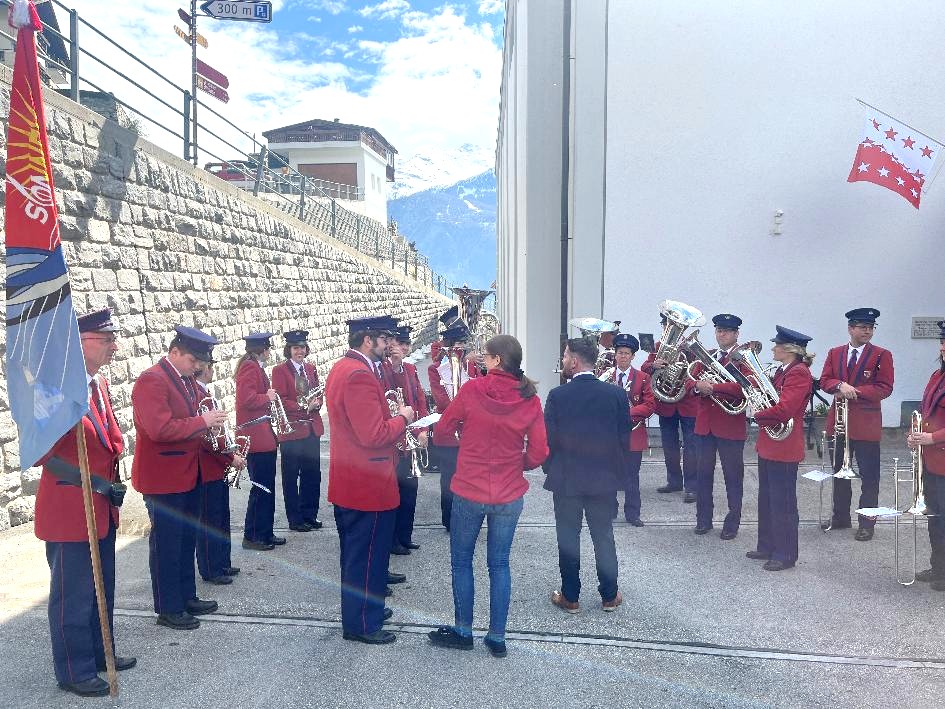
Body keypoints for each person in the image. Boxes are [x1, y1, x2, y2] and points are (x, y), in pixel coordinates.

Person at [34, 309, 136, 697]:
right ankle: (73, 670)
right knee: (72, 595)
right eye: (106, 340)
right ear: (80, 344)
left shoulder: (98, 384)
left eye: (113, 339)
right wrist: (93, 482)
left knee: (100, 587)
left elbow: (106, 442)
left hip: (102, 506)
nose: (115, 346)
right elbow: (40, 453)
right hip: (70, 509)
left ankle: (98, 652)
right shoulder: (57, 389)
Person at [428, 335, 548, 658]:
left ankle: (463, 630)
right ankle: (497, 637)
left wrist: (466, 446)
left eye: (486, 355)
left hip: (470, 487)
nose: (482, 359)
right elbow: (539, 452)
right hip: (508, 492)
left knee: (461, 561)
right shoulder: (530, 399)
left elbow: (442, 431)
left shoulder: (472, 390)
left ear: (496, 360)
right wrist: (518, 463)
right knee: (499, 564)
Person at [325, 316, 415, 645]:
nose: (389, 345)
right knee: (365, 557)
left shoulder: (345, 368)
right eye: (384, 339)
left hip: (355, 478)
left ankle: (367, 609)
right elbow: (373, 434)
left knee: (361, 555)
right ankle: (362, 622)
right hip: (366, 482)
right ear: (367, 340)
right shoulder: (359, 374)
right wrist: (402, 419)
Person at [132, 326, 225, 630]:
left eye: (200, 361)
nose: (196, 366)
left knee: (186, 540)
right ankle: (168, 608)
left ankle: (186, 596)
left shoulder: (185, 380)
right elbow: (159, 429)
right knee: (167, 545)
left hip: (187, 474)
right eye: (192, 360)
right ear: (174, 352)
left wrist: (208, 425)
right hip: (164, 478)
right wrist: (202, 422)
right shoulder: (152, 380)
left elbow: (190, 417)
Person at [544, 336, 629, 616]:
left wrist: (551, 468)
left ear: (575, 361)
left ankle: (570, 597)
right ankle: (609, 596)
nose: (563, 360)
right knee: (603, 537)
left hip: (567, 478)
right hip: (603, 479)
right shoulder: (616, 394)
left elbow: (549, 440)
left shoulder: (558, 396)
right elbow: (624, 440)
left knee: (568, 538)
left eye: (565, 356)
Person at [819, 308, 895, 541]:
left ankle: (867, 522)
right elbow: (824, 380)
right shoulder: (835, 353)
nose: (868, 331)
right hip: (839, 423)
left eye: (871, 328)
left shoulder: (882, 355)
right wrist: (839, 385)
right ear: (850, 328)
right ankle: (841, 517)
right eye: (863, 327)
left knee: (870, 477)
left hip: (866, 425)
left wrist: (854, 391)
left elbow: (885, 387)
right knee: (840, 474)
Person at [747, 326, 815, 571]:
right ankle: (766, 546)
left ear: (789, 350)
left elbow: (786, 409)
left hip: (784, 445)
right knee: (767, 499)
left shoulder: (799, 373)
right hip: (771, 442)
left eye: (777, 345)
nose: (773, 348)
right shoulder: (782, 370)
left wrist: (756, 415)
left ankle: (785, 554)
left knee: (783, 503)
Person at [690, 314, 750, 540]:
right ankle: (703, 520)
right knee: (702, 475)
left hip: (730, 426)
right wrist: (697, 384)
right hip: (705, 426)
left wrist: (714, 388)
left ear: (736, 334)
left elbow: (746, 387)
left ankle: (732, 523)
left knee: (733, 477)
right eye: (718, 330)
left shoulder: (744, 358)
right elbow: (688, 380)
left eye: (726, 331)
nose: (721, 334)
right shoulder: (707, 357)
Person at [194, 361, 244, 585]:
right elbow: (206, 439)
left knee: (222, 517)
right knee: (210, 521)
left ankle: (222, 562)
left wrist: (231, 450)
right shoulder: (197, 396)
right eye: (211, 366)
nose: (213, 370)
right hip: (208, 467)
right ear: (204, 368)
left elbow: (219, 432)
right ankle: (211, 568)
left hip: (218, 465)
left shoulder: (206, 394)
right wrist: (231, 458)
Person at [428, 321, 482, 530]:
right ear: (449, 344)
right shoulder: (436, 369)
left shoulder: (471, 365)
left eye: (464, 343)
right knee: (450, 478)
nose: (461, 347)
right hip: (449, 433)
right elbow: (442, 401)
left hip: (471, 432)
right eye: (458, 343)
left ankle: (469, 518)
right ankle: (450, 520)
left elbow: (481, 392)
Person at [271, 330, 325, 533]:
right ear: (289, 350)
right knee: (291, 476)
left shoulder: (310, 368)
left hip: (311, 429)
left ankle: (310, 514)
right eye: (295, 348)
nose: (299, 351)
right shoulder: (280, 370)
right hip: (292, 431)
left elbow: (318, 392)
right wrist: (303, 406)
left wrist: (318, 402)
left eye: (302, 347)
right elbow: (281, 400)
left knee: (312, 474)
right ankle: (295, 519)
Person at [383, 325, 430, 555]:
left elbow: (420, 401)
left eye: (405, 344)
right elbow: (392, 393)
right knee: (395, 492)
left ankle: (405, 535)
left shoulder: (410, 368)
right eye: (399, 344)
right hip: (394, 438)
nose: (402, 348)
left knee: (410, 491)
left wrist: (423, 429)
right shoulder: (385, 368)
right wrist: (394, 366)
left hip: (412, 436)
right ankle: (392, 540)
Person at [642, 313, 699, 502]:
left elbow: (699, 369)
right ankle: (674, 481)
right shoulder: (660, 347)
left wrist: (684, 373)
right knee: (669, 446)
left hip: (688, 404)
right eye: (666, 326)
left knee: (691, 447)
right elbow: (644, 367)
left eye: (673, 327)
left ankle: (692, 487)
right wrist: (654, 365)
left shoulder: (690, 347)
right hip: (666, 403)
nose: (669, 330)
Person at [236, 332, 283, 551]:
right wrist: (268, 397)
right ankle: (253, 536)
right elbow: (246, 399)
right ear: (263, 350)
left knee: (267, 488)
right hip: (256, 436)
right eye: (268, 349)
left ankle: (265, 532)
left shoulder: (255, 366)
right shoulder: (250, 367)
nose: (269, 352)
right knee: (261, 488)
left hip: (262, 434)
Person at [601, 333, 655, 525]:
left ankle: (633, 514)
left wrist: (626, 413)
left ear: (633, 356)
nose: (623, 356)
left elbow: (650, 405)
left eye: (626, 353)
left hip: (633, 433)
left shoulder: (643, 378)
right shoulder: (605, 377)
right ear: (615, 354)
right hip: (610, 435)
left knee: (632, 476)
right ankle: (610, 510)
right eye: (620, 352)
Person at [909, 321, 945, 590]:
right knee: (935, 518)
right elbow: (925, 411)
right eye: (942, 343)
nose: (943, 348)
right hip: (931, 460)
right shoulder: (937, 375)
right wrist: (915, 433)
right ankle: (939, 567)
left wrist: (933, 438)